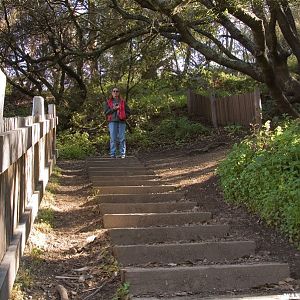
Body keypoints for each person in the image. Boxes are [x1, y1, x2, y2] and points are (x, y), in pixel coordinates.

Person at [103, 87, 131, 158]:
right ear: (112, 93)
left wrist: (125, 116)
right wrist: (114, 109)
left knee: (122, 138)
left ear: (119, 93)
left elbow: (129, 111)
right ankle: (113, 154)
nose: (115, 92)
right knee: (113, 138)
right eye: (114, 91)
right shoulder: (108, 102)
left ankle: (122, 154)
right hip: (112, 122)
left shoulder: (122, 102)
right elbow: (106, 112)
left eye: (117, 91)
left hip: (122, 122)